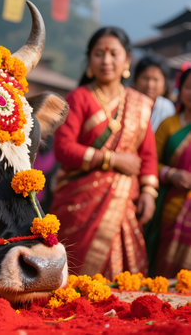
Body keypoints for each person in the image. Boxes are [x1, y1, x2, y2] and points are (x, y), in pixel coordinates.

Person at [49, 26, 159, 280]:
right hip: (79, 204)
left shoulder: (140, 104)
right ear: (89, 60)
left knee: (124, 280)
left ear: (127, 60)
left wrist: (149, 193)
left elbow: (148, 155)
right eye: (99, 54)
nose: (106, 61)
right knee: (75, 279)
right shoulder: (79, 98)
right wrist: (112, 159)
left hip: (124, 202)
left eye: (113, 54)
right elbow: (64, 149)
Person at [145, 67, 191, 277]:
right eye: (189, 87)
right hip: (169, 205)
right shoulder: (168, 125)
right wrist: (173, 174)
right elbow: (151, 162)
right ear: (180, 90)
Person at [133, 56, 176, 132]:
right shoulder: (127, 103)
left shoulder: (167, 108)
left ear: (164, 84)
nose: (150, 85)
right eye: (145, 78)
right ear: (135, 80)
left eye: (155, 79)